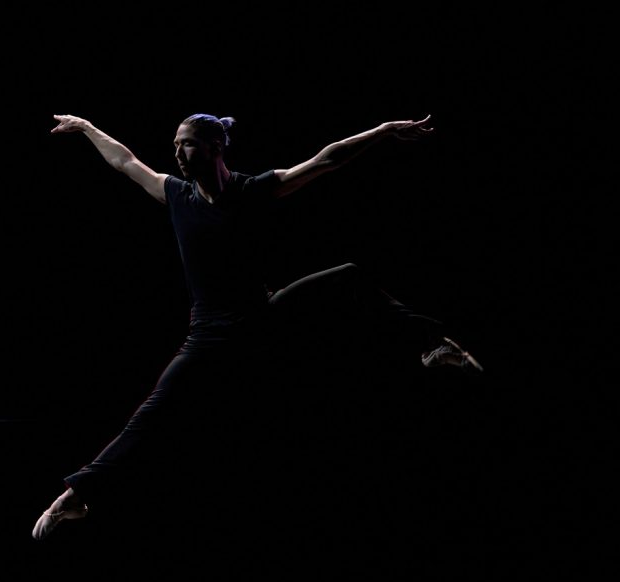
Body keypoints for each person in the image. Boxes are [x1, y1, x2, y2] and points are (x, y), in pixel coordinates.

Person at [32, 112, 482, 540]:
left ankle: (436, 346)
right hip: (209, 333)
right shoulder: (176, 195)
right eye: (175, 145)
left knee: (347, 276)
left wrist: (381, 132)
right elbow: (124, 161)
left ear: (215, 147)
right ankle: (75, 497)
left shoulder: (252, 190)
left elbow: (325, 159)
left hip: (263, 317)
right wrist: (86, 127)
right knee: (151, 416)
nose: (178, 154)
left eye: (187, 145)